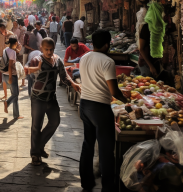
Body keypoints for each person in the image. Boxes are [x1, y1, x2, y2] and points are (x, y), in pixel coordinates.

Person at [79, 30, 127, 192]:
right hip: (100, 108)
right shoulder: (107, 62)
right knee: (106, 151)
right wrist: (128, 101)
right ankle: (108, 188)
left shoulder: (84, 57)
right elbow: (114, 92)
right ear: (107, 44)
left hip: (84, 105)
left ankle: (87, 183)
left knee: (88, 145)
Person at [25, 37, 80, 166]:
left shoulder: (57, 60)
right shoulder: (36, 60)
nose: (49, 52)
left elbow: (64, 76)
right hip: (38, 98)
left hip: (51, 98)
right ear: (41, 49)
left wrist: (73, 84)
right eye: (46, 50)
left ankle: (39, 146)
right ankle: (35, 154)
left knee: (55, 121)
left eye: (51, 49)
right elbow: (24, 70)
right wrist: (34, 69)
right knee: (36, 126)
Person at [2, 37, 24, 119]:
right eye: (17, 43)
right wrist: (11, 77)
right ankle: (7, 103)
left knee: (14, 94)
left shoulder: (5, 50)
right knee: (15, 94)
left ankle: (16, 115)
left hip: (5, 73)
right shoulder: (12, 52)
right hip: (11, 74)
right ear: (15, 43)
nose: (18, 44)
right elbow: (10, 66)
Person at [0, 23, 14, 88]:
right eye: (1, 28)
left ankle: (7, 81)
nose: (2, 29)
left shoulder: (10, 34)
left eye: (4, 28)